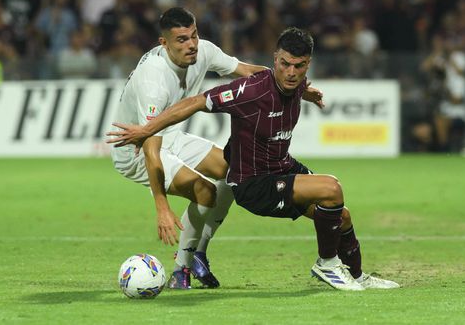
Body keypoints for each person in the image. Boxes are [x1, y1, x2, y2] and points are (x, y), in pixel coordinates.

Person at [107, 27, 400, 291]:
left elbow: (294, 81)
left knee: (340, 214)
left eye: (298, 66)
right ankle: (327, 265)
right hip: (256, 184)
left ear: (307, 65)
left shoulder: (297, 82)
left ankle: (358, 275)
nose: (290, 72)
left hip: (281, 168)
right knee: (331, 188)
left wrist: (306, 92)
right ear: (275, 59)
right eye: (284, 64)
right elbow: (195, 102)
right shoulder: (249, 91)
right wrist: (147, 129)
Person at [109, 7, 270, 289]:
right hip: (135, 151)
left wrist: (292, 85)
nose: (191, 45)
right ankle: (181, 270)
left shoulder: (203, 51)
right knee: (204, 191)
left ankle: (198, 254)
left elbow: (248, 72)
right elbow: (150, 148)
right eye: (182, 39)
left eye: (193, 35)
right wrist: (161, 206)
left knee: (234, 171)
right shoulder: (154, 80)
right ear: (164, 44)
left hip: (170, 134)